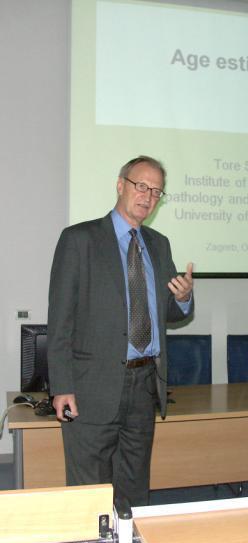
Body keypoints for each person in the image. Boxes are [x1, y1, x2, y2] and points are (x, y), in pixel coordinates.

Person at [47, 155, 193, 506]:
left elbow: (167, 311)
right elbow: (60, 320)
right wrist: (62, 386)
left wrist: (184, 298)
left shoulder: (159, 245)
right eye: (141, 186)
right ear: (120, 185)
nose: (148, 196)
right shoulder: (79, 239)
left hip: (144, 386)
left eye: (157, 191)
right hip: (91, 386)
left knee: (134, 484)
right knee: (90, 492)